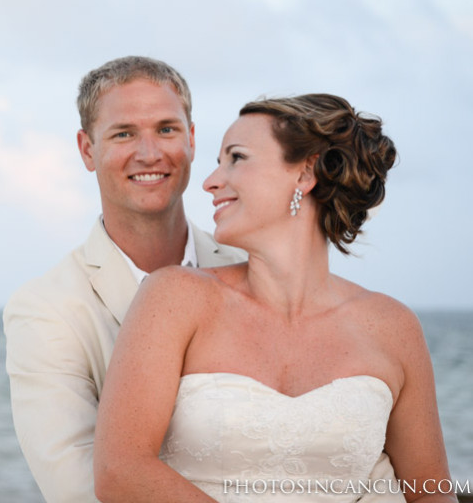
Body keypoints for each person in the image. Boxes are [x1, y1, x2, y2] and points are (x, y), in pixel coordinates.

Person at [93, 94, 454, 502]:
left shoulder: (392, 326)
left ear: (305, 174)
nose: (211, 181)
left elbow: (430, 491)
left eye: (237, 158)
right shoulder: (174, 298)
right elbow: (120, 471)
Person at [4, 55, 258, 502]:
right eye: (124, 133)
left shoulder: (252, 268)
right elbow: (78, 488)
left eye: (166, 129)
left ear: (193, 139)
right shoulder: (46, 309)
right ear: (87, 149)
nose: (150, 153)